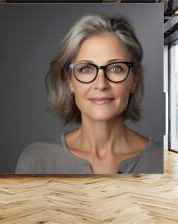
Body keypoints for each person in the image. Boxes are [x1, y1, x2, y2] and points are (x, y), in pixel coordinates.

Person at [15, 14, 163, 174]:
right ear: (69, 81)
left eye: (115, 68)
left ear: (134, 80)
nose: (101, 84)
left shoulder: (164, 161)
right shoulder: (36, 160)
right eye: (86, 69)